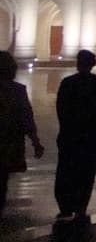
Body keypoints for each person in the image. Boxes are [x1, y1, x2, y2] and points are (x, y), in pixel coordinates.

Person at [54, 50, 96, 223]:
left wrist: (68, 125)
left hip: (70, 134)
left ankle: (65, 205)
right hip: (90, 135)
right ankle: (81, 206)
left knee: (66, 168)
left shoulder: (68, 83)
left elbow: (61, 109)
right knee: (87, 170)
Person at [0, 51, 45, 219]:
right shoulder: (17, 91)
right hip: (8, 143)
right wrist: (35, 141)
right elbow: (26, 116)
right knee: (2, 179)